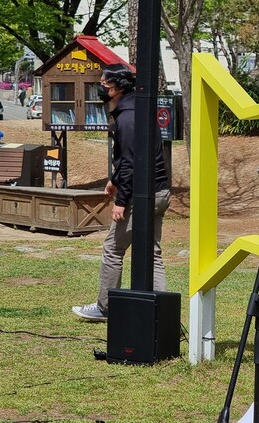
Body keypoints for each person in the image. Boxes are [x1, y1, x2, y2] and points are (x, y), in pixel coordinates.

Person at [72, 63, 171, 322]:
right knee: (152, 252)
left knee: (113, 248)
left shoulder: (127, 118)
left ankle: (105, 307)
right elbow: (136, 156)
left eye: (103, 83)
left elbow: (131, 163)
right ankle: (160, 310)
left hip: (141, 194)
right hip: (160, 191)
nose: (101, 87)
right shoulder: (139, 109)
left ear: (116, 87)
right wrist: (114, 181)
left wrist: (122, 201)